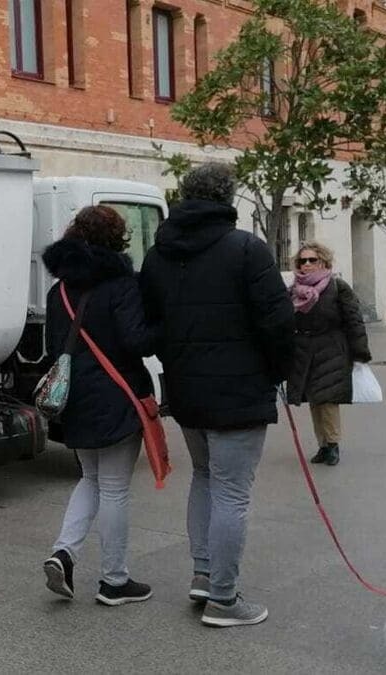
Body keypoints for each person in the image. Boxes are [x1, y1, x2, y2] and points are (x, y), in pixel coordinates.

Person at [139, 163, 295, 628]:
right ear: (228, 196)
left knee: (205, 478)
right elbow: (278, 320)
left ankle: (206, 574)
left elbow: (151, 323)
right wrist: (279, 372)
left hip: (187, 386)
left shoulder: (158, 253)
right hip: (240, 387)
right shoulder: (247, 248)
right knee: (231, 491)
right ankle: (224, 599)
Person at [40, 205, 158, 606]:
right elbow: (137, 342)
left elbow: (55, 348)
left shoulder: (57, 292)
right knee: (114, 489)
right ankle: (114, 580)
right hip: (117, 397)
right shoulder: (122, 286)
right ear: (116, 240)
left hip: (75, 398)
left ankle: (63, 552)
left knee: (89, 480)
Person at [286, 242, 372, 467]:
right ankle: (322, 445)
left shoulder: (337, 287)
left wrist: (360, 351)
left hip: (331, 349)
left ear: (323, 261)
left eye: (312, 260)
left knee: (328, 400)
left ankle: (333, 445)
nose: (306, 264)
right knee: (315, 400)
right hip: (304, 352)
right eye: (302, 261)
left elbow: (354, 320)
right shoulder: (294, 290)